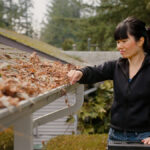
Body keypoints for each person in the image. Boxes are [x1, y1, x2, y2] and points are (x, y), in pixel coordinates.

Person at [67, 16, 150, 144]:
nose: (119, 46)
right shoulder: (116, 66)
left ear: (140, 41)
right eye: (118, 42)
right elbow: (95, 71)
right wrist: (80, 73)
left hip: (144, 138)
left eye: (124, 41)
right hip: (115, 136)